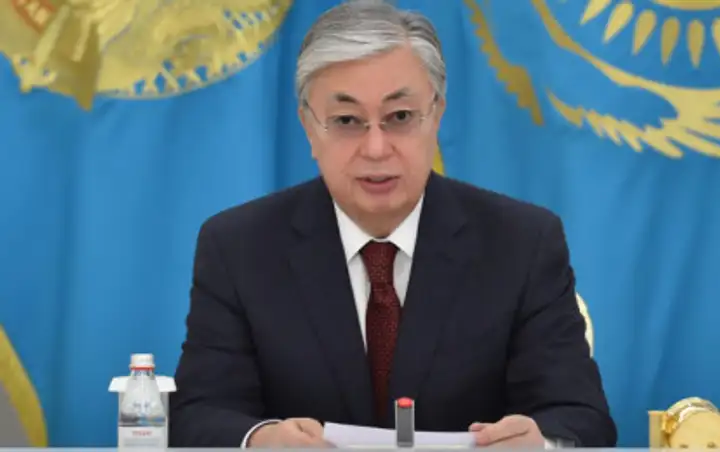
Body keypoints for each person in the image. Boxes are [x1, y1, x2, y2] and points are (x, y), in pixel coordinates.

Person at [168, 0, 617, 448]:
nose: (376, 149)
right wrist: (259, 439)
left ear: (436, 115)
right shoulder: (239, 247)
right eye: (347, 121)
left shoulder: (521, 243)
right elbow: (198, 414)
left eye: (400, 117)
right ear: (309, 127)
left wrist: (542, 444)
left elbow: (581, 418)